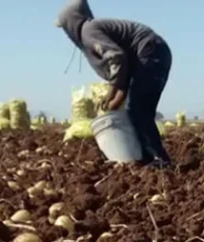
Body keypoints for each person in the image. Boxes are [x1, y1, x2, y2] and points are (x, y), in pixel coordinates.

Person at [56, 0, 172, 167]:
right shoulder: (94, 29)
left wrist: (114, 92)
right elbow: (124, 68)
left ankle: (159, 159)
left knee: (139, 110)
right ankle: (147, 157)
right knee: (139, 111)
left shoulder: (89, 31)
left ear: (71, 23)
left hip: (150, 51)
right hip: (155, 52)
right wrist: (116, 94)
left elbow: (117, 58)